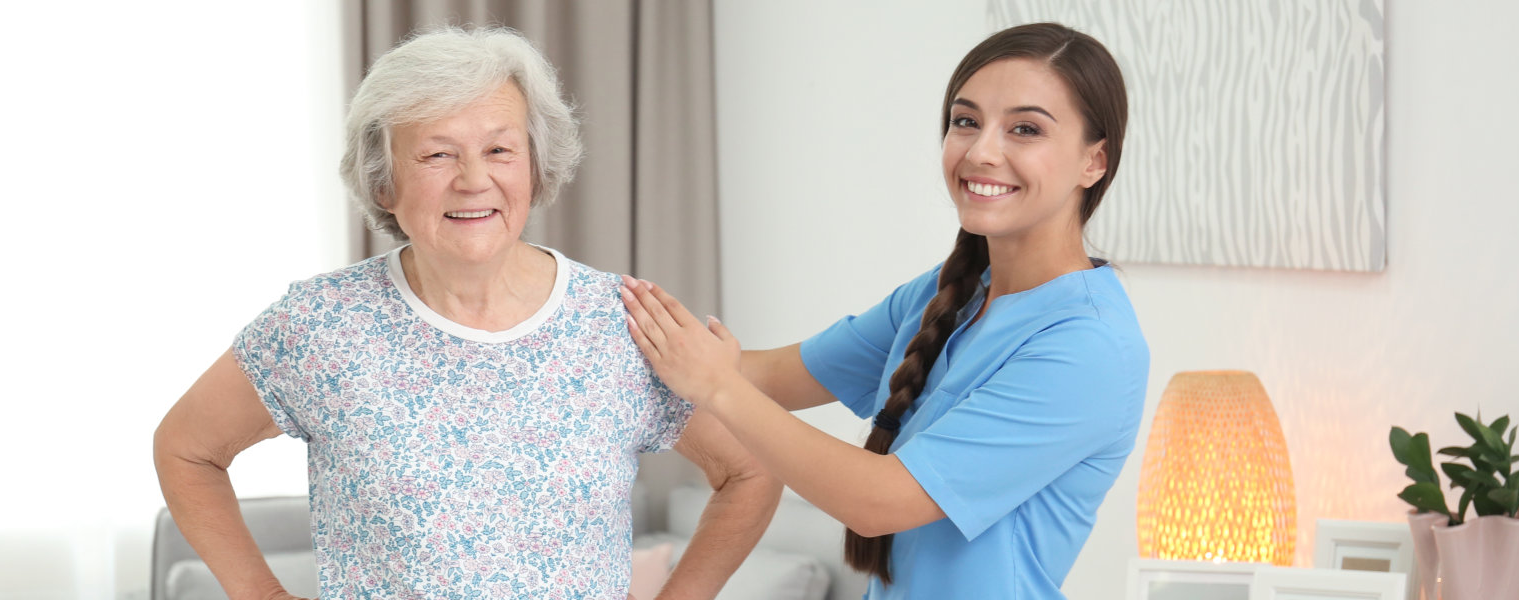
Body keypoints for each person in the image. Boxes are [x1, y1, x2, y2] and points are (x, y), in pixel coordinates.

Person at [154, 26, 779, 599]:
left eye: (500, 150)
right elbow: (185, 450)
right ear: (383, 183)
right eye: (437, 155)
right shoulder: (319, 324)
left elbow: (753, 468)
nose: (474, 179)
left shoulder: (623, 321)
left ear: (534, 170)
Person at [618, 22, 1147, 600]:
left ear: (1093, 161)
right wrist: (582, 325)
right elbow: (769, 376)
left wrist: (717, 386)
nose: (982, 151)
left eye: (1025, 129)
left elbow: (878, 501)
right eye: (965, 121)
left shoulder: (1089, 348)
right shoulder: (945, 293)